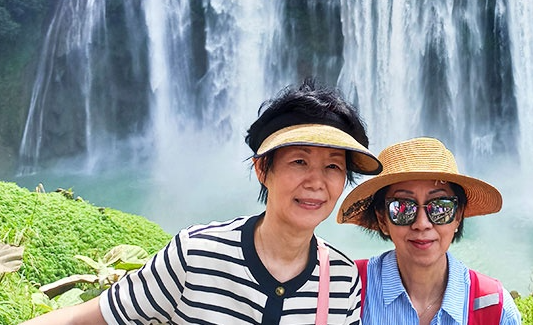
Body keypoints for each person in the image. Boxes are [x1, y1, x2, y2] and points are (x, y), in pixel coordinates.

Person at [22, 79, 382, 325]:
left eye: (333, 166)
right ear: (263, 169)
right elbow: (92, 317)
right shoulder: (196, 253)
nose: (316, 183)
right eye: (299, 161)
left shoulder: (342, 278)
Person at [337, 137, 521, 325]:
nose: (422, 223)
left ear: (458, 216)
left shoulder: (494, 309)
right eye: (403, 208)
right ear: (382, 219)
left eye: (440, 207)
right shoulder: (347, 288)